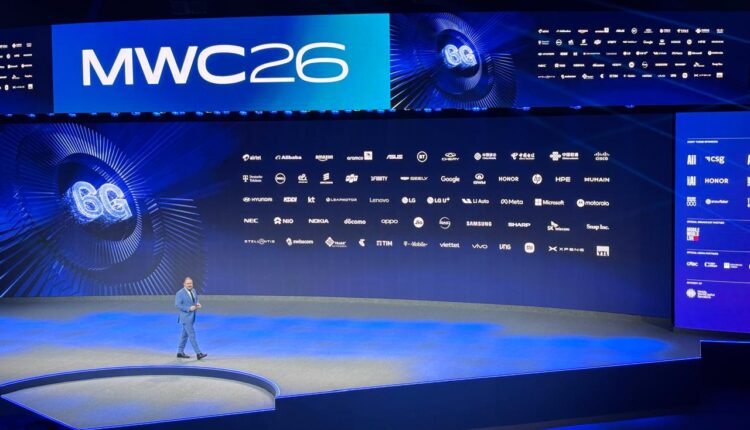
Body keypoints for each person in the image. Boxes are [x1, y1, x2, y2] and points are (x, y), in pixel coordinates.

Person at [175, 277, 207, 360]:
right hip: (185, 318)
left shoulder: (194, 291)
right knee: (192, 335)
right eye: (188, 283)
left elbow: (195, 300)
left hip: (192, 316)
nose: (190, 285)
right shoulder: (180, 293)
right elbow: (178, 305)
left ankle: (180, 352)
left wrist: (197, 304)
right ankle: (198, 353)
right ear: (184, 284)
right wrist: (189, 308)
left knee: (184, 335)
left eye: (191, 283)